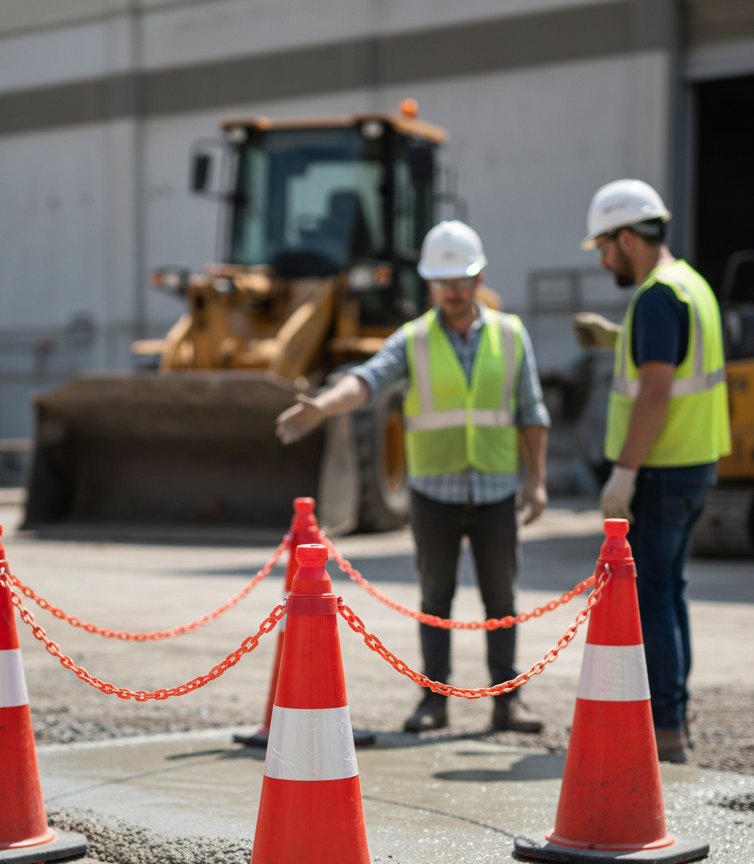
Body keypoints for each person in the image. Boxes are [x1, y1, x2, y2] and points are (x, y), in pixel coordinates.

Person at [276, 220, 550, 733]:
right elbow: (366, 380)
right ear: (429, 284)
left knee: (501, 600)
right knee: (435, 600)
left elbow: (532, 411)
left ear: (478, 277)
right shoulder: (414, 339)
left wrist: (535, 479)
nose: (451, 291)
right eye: (441, 281)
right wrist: (322, 407)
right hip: (433, 493)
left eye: (460, 280)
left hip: (495, 490)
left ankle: (507, 701)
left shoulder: (512, 336)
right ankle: (434, 700)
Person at [573, 179, 731, 762]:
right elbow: (672, 360)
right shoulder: (692, 286)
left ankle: (665, 731)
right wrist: (619, 341)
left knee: (656, 597)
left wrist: (625, 472)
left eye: (604, 247)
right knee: (672, 591)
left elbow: (658, 387)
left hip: (662, 471)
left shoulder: (657, 295)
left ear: (625, 237)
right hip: (695, 465)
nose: (604, 259)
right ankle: (674, 715)